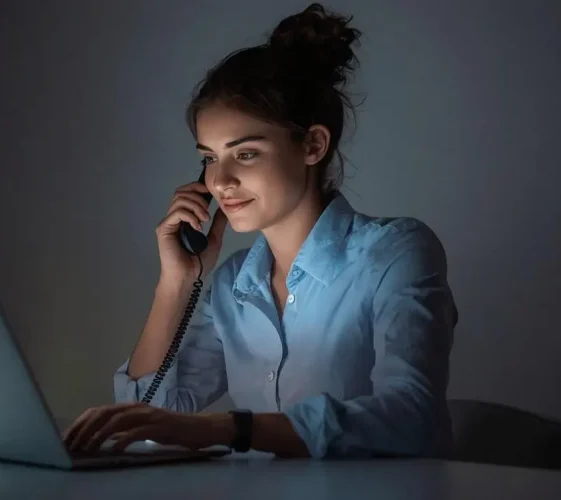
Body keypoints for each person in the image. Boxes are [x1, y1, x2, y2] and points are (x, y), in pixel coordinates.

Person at [64, 3, 457, 459]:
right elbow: (144, 416)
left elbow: (412, 418)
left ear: (313, 145)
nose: (220, 182)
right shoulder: (234, 284)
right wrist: (175, 284)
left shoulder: (395, 252)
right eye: (209, 158)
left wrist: (232, 429)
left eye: (245, 154)